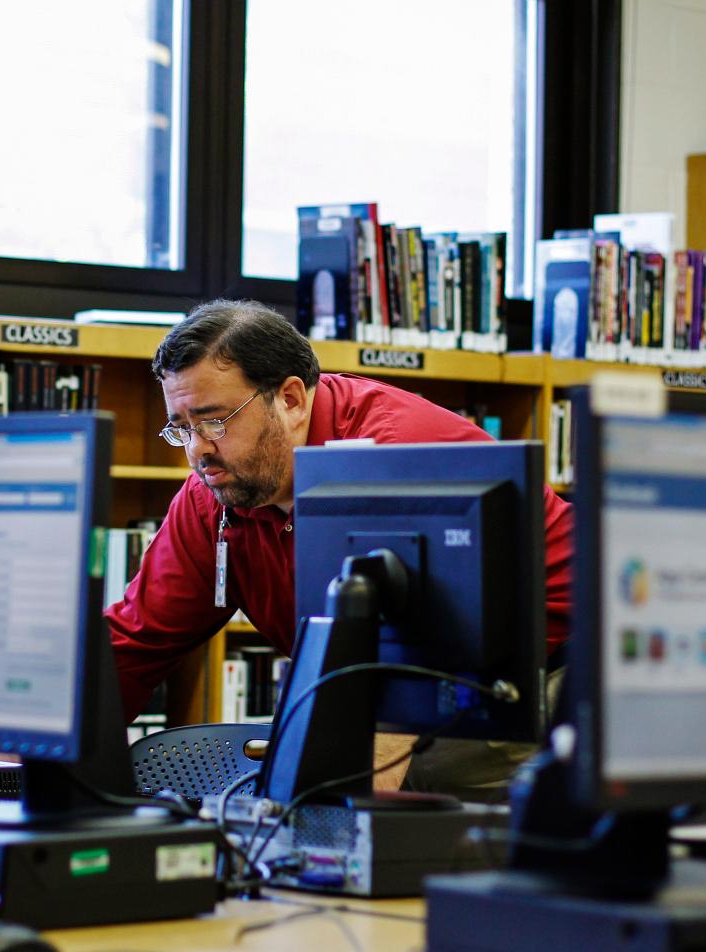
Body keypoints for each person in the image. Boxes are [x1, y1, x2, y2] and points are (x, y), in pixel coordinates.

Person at [105, 299, 573, 800]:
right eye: (181, 428)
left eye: (214, 421)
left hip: (543, 676)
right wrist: (38, 759)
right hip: (379, 691)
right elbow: (137, 640)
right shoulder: (216, 492)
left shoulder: (396, 456)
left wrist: (337, 828)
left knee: (408, 789)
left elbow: (406, 672)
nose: (197, 450)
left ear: (290, 399)